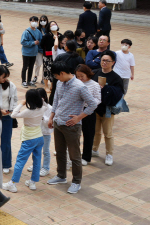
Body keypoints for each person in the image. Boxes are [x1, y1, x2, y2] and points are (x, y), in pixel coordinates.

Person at [47, 61, 99, 194]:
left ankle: (76, 182)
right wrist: (51, 117)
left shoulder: (79, 87)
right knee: (60, 152)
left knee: (74, 156)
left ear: (63, 73)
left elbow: (93, 104)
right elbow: (56, 101)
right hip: (58, 123)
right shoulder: (59, 83)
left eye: (57, 76)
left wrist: (79, 117)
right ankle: (61, 176)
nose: (57, 78)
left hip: (72, 127)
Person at [2, 89, 45, 194]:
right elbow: (43, 102)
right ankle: (33, 182)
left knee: (20, 161)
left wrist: (21, 104)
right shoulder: (43, 107)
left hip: (29, 139)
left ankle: (12, 183)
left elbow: (13, 115)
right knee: (37, 160)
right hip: (39, 137)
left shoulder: (28, 111)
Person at [91, 51, 124, 167]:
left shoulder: (116, 78)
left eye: (107, 61)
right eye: (102, 60)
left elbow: (119, 94)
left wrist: (106, 88)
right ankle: (94, 149)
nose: (104, 62)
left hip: (108, 110)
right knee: (95, 131)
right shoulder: (95, 73)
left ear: (113, 63)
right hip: (95, 108)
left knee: (108, 133)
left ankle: (109, 154)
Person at [74, 64, 101, 167]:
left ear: (87, 74)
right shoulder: (76, 83)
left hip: (89, 111)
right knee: (75, 133)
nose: (80, 78)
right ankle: (73, 154)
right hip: (76, 110)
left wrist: (88, 101)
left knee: (88, 135)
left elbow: (98, 99)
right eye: (78, 76)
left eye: (82, 76)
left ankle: (86, 157)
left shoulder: (94, 84)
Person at [27, 88, 53, 176]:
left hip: (45, 133)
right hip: (36, 132)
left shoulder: (49, 108)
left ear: (44, 97)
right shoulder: (35, 107)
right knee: (36, 151)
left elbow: (49, 123)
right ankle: (36, 165)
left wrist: (41, 117)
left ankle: (45, 168)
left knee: (45, 151)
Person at [20, 16, 42, 87]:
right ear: (30, 22)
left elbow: (40, 40)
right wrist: (33, 43)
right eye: (32, 21)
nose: (34, 23)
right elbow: (23, 42)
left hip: (34, 53)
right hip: (26, 53)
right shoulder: (26, 32)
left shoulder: (38, 31)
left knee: (31, 67)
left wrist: (39, 43)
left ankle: (29, 80)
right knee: (25, 67)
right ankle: (23, 81)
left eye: (36, 21)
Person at [40, 20, 61, 92]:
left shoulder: (60, 35)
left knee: (54, 70)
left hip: (57, 56)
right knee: (47, 70)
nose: (54, 26)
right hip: (48, 56)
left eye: (55, 24)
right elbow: (41, 45)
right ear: (49, 27)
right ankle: (46, 86)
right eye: (52, 25)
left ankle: (52, 85)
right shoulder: (47, 35)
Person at [31, 15, 49, 85]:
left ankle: (43, 78)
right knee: (38, 64)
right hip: (38, 49)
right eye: (41, 20)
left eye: (44, 20)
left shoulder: (48, 29)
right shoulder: (37, 29)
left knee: (45, 64)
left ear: (47, 21)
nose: (42, 22)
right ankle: (35, 76)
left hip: (46, 50)